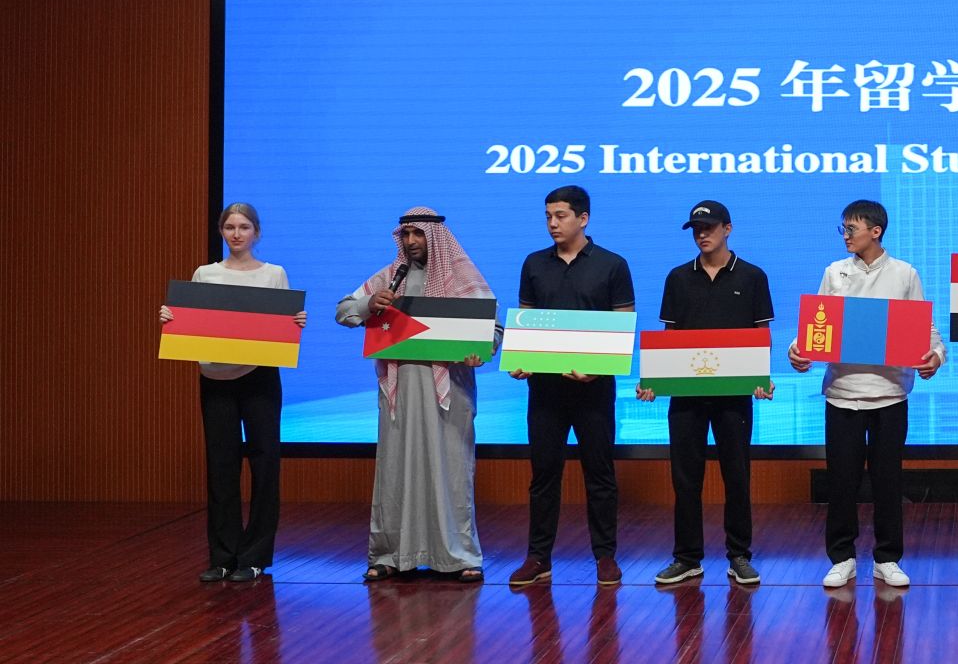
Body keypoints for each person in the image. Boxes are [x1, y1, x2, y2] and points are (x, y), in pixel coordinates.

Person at [789, 199, 943, 589]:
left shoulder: (904, 273)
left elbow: (926, 330)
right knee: (841, 482)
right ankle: (842, 558)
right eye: (842, 228)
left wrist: (935, 356)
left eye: (851, 228)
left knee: (888, 482)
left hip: (890, 394)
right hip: (842, 393)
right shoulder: (834, 272)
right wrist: (798, 350)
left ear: (876, 231)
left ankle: (887, 558)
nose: (845, 235)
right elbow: (816, 327)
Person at [336, 207, 493, 583]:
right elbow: (344, 311)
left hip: (449, 391)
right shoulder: (390, 277)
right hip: (400, 391)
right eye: (405, 235)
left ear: (433, 236)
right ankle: (391, 554)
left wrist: (481, 350)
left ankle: (458, 556)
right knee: (396, 472)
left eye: (418, 234)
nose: (410, 242)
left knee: (451, 472)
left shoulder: (461, 276)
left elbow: (492, 329)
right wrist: (369, 304)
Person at [162, 202, 304, 583]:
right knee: (221, 465)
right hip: (215, 377)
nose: (236, 234)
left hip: (260, 376)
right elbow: (192, 320)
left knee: (264, 463)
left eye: (244, 227)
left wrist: (295, 321)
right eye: (230, 227)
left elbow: (283, 323)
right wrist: (172, 318)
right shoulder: (204, 274)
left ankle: (254, 556)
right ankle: (222, 556)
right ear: (221, 232)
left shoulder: (274, 274)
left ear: (256, 232)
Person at [639, 199, 775, 588]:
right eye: (697, 229)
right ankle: (687, 558)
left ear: (727, 229)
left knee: (737, 476)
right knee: (685, 479)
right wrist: (654, 380)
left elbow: (760, 336)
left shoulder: (752, 276)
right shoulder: (678, 277)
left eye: (709, 228)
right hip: (686, 396)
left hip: (735, 395)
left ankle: (739, 556)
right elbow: (669, 338)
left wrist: (763, 378)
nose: (702, 234)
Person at [508, 185, 636, 590]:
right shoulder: (533, 263)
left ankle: (605, 556)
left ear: (583, 218)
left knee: (600, 473)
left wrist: (598, 370)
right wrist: (520, 360)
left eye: (560, 215)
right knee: (544, 474)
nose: (552, 223)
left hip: (594, 390)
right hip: (545, 391)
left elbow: (624, 327)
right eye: (548, 216)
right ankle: (538, 557)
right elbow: (526, 321)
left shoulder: (613, 264)